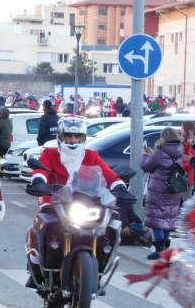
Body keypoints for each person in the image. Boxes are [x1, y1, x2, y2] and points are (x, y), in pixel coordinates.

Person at [26, 117, 128, 286]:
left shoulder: (91, 155)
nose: (73, 140)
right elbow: (40, 169)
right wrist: (38, 181)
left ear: (83, 138)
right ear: (60, 136)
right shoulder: (50, 153)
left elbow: (108, 174)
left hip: (86, 203)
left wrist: (120, 187)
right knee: (39, 227)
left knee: (108, 225)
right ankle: (36, 269)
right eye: (69, 136)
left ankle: (98, 267)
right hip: (55, 202)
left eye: (77, 137)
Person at [140, 128, 184, 259]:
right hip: (173, 190)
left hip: (159, 190)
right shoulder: (179, 151)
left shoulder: (160, 152)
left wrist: (144, 155)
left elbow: (146, 166)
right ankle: (165, 247)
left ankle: (160, 247)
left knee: (156, 218)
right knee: (167, 218)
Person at [180, 121, 195, 201]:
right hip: (183, 177)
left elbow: (191, 162)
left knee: (186, 202)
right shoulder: (184, 142)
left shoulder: (192, 143)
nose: (180, 130)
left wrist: (180, 167)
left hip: (187, 178)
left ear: (186, 129)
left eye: (182, 128)